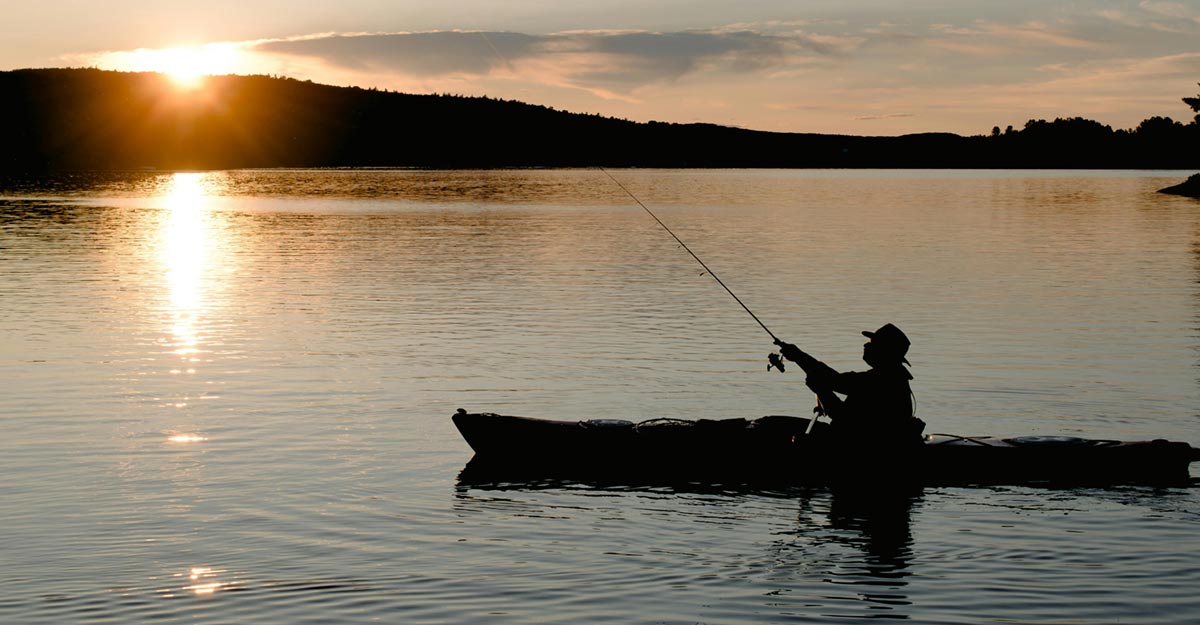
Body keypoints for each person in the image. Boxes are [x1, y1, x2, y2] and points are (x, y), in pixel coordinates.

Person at [774, 323, 924, 445]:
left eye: (873, 343)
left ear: (884, 352)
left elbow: (842, 415)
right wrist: (799, 357)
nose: (866, 345)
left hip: (862, 445)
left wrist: (821, 390)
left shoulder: (878, 381)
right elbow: (833, 380)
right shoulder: (892, 377)